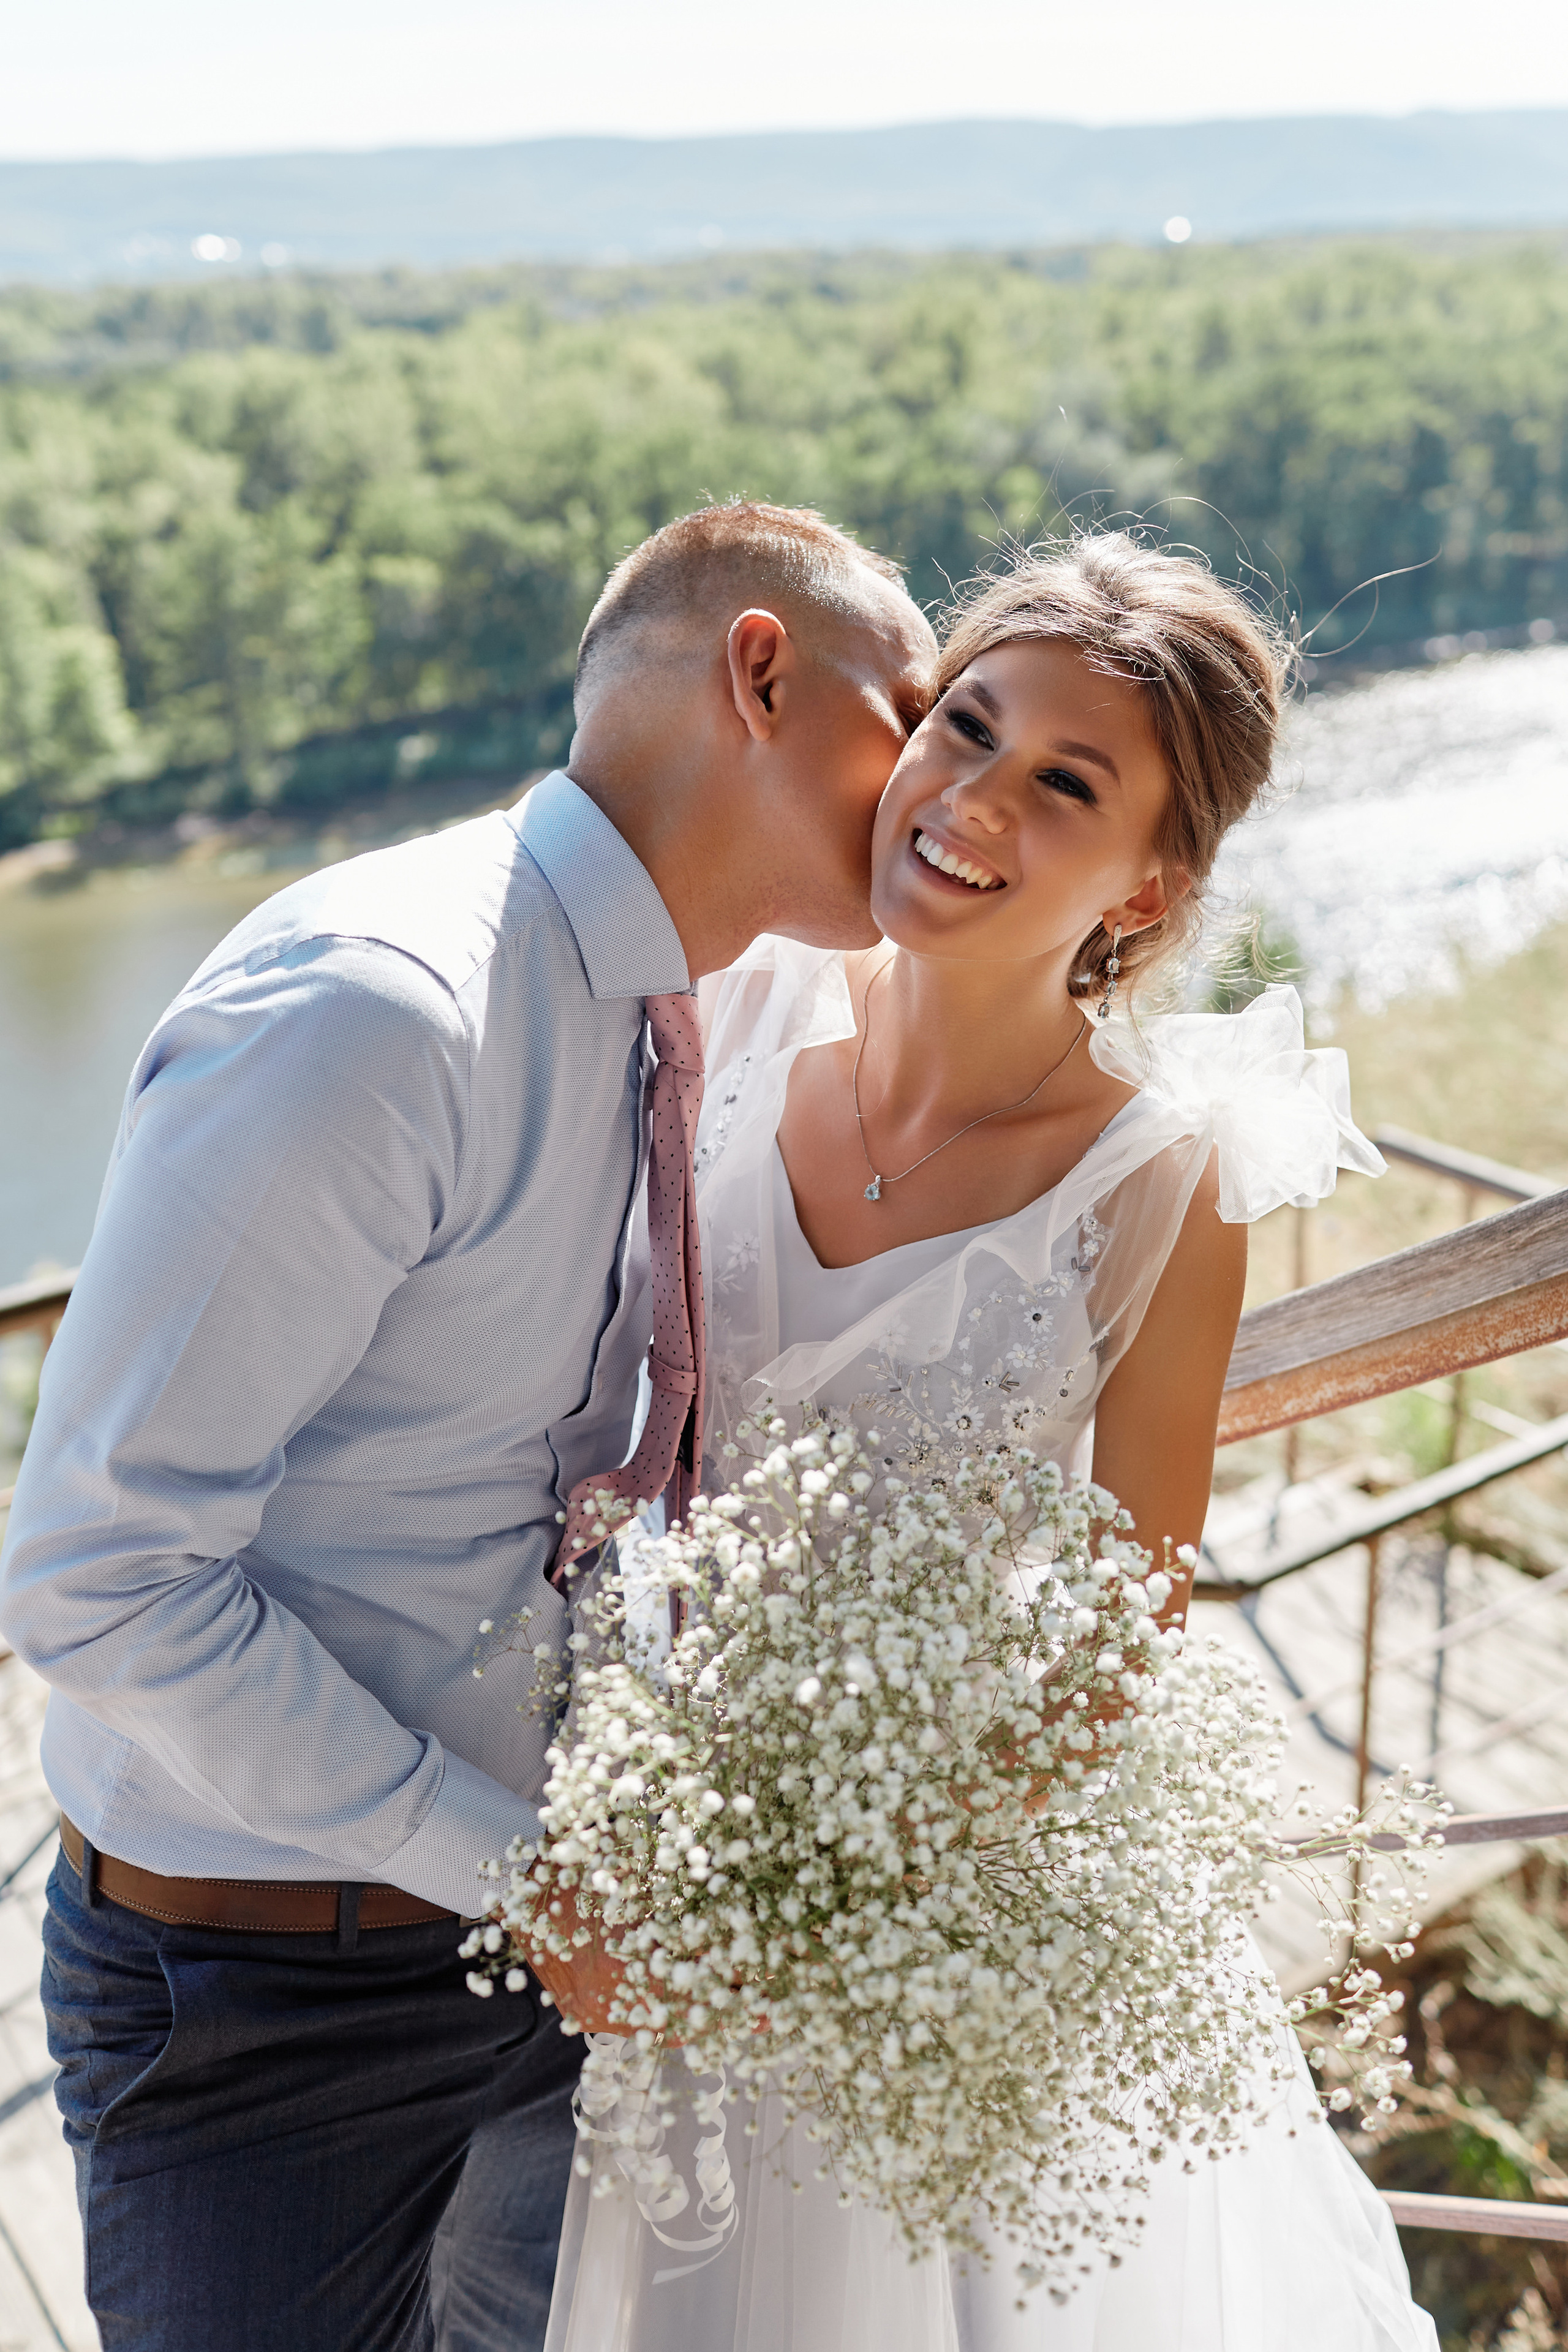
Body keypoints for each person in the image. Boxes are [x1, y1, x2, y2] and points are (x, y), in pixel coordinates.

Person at [0, 500, 937, 2352]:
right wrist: (525, 1881)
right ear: (761, 671)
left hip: (551, 1958)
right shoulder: (378, 1015)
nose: (938, 790)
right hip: (267, 2001)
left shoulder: (726, 989)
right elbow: (98, 1580)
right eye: (915, 710)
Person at [542, 534, 1440, 2350]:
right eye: (966, 724)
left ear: (1150, 883)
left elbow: (1126, 1621)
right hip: (672, 1824)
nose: (970, 800)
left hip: (941, 1906)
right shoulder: (740, 995)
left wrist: (833, 1888)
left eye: (1067, 785)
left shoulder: (1160, 1178)